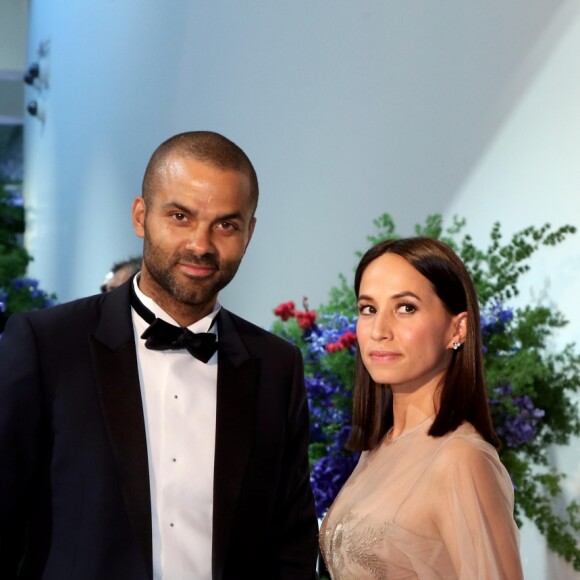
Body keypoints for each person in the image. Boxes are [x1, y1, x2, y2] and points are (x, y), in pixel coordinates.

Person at [0, 131, 319, 579]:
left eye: (225, 224)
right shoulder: (47, 344)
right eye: (181, 216)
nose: (201, 245)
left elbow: (291, 545)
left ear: (249, 231)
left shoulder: (276, 367)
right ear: (140, 215)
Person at [319, 237, 524, 579]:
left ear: (457, 328)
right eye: (368, 309)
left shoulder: (460, 459)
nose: (380, 331)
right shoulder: (381, 448)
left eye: (406, 308)